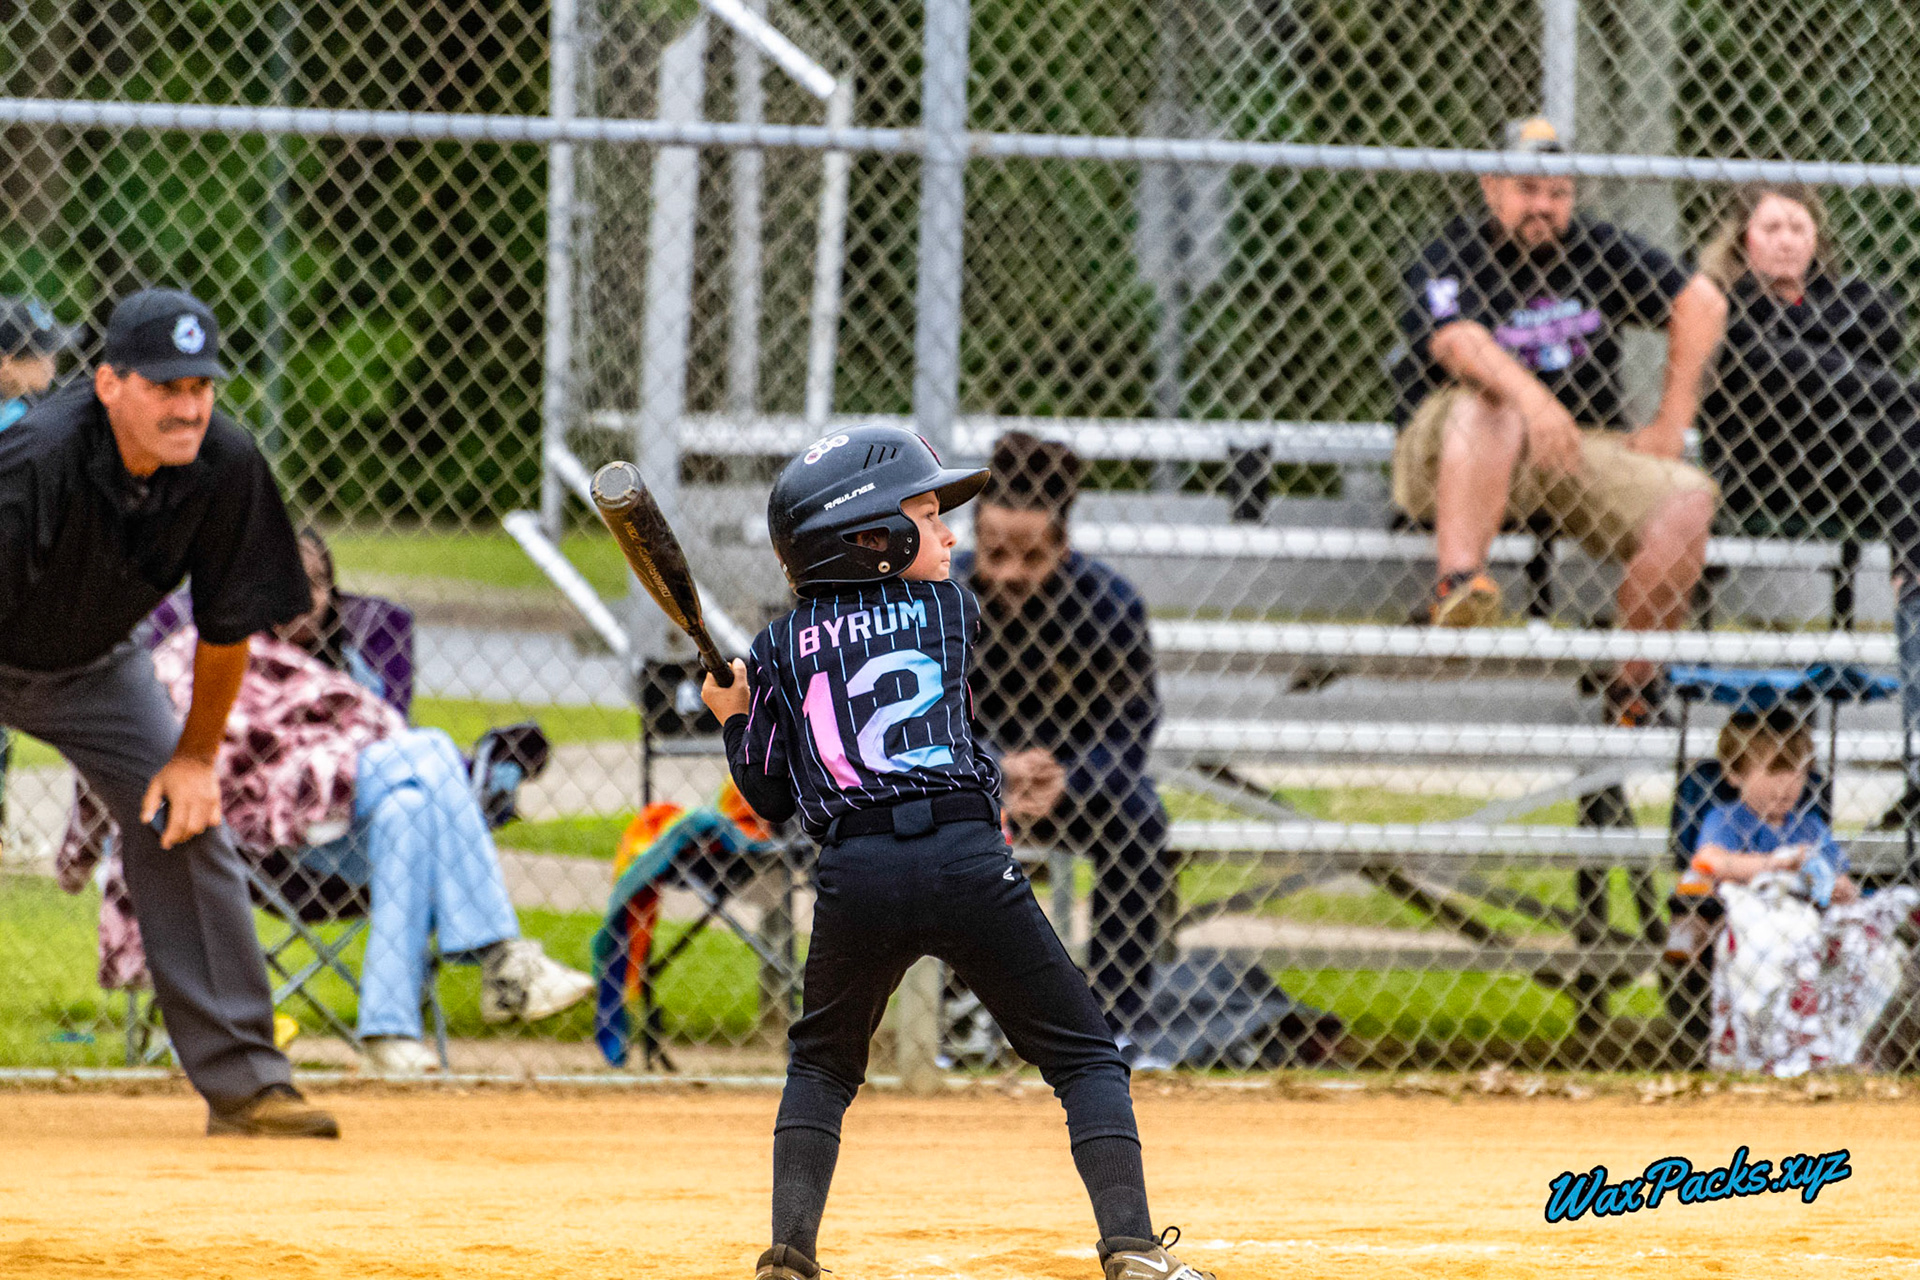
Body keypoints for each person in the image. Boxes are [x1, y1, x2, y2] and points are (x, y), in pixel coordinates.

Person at [702, 426, 1216, 1280]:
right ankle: (1130, 1247)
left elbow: (771, 797)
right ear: (873, 540)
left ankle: (788, 1255)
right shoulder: (952, 610)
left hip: (854, 872)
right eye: (930, 517)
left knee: (823, 1065)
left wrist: (736, 710)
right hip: (966, 857)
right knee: (1086, 1055)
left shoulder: (776, 647)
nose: (950, 539)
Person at [64, 531, 596, 1076]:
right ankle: (501, 956)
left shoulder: (350, 669)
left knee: (408, 811)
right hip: (254, 839)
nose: (303, 598)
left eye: (316, 584)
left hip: (346, 845)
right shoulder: (209, 647)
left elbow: (378, 736)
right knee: (430, 749)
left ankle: (389, 1032)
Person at [0, 287, 335, 1136]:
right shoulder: (36, 459)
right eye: (164, 387)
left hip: (92, 671)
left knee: (184, 822)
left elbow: (227, 627)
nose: (187, 407)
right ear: (110, 384)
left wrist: (192, 761)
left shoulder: (225, 464)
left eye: (200, 386)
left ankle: (248, 1082)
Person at [1392, 116, 1725, 723]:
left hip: (1572, 447)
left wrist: (1671, 424)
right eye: (1528, 189)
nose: (1543, 206)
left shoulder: (1593, 247)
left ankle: (1632, 690)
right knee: (1490, 404)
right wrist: (1535, 400)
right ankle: (1458, 585)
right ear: (1492, 187)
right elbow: (1458, 343)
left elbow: (1701, 301)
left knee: (1687, 502)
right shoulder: (1453, 251)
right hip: (1454, 453)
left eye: (1558, 193)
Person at [956, 432, 1170, 1054]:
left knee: (1141, 821)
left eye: (1030, 557)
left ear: (1063, 546)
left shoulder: (1110, 605)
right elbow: (925, 716)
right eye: (994, 554)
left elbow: (1134, 725)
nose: (1009, 574)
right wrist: (995, 767)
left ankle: (1113, 1027)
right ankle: (960, 1018)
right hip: (973, 784)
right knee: (929, 818)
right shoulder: (947, 604)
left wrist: (1070, 778)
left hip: (1077, 787)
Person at [1682, 712, 1916, 1075]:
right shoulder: (1727, 819)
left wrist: (1836, 887)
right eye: (1774, 771)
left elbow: (1840, 881)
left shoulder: (1809, 826)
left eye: (1799, 772)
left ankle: (1846, 1049)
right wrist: (1778, 863)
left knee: (1872, 935)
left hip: (1816, 921)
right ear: (1734, 774)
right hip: (1763, 920)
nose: (1787, 784)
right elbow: (1709, 860)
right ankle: (1789, 1056)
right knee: (1780, 947)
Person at [0, 295, 76, 430]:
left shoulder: (20, 407)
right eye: (45, 356)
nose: (52, 366)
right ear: (8, 361)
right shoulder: (15, 419)